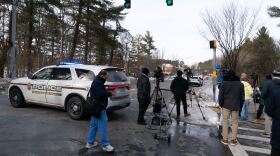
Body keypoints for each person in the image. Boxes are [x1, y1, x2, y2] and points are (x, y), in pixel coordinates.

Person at [86, 70, 114, 152]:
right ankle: (105, 145)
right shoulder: (98, 83)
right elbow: (100, 95)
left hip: (95, 108)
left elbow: (99, 93)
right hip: (99, 108)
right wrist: (110, 94)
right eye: (106, 76)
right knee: (103, 126)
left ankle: (90, 142)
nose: (107, 77)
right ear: (102, 75)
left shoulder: (98, 81)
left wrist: (107, 92)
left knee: (93, 126)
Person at [219, 70, 244, 146]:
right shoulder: (240, 84)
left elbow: (220, 96)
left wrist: (221, 104)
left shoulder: (224, 83)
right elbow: (242, 97)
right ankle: (233, 140)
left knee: (225, 122)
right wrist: (240, 106)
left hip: (226, 105)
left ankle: (225, 139)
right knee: (235, 123)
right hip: (236, 106)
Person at [262, 69, 280, 156]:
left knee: (268, 119)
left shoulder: (269, 83)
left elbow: (263, 94)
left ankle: (267, 132)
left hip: (273, 110)